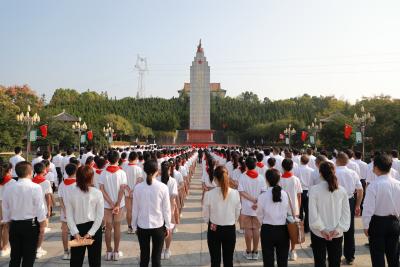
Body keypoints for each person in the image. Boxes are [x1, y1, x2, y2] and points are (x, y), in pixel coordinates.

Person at [2, 161, 47, 267]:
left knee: (15, 257)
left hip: (14, 224)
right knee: (29, 257)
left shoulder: (9, 188)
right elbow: (40, 208)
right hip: (30, 225)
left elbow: (6, 208)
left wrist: (7, 224)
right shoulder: (35, 187)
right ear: (30, 172)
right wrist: (42, 225)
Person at [309, 161, 350, 267]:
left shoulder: (314, 190)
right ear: (334, 172)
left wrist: (322, 229)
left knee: (319, 261)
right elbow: (346, 214)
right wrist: (338, 229)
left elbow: (313, 213)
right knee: (335, 261)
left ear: (320, 173)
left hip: (319, 232)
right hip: (336, 232)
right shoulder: (342, 190)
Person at [362, 154, 400, 267]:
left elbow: (368, 208)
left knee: (377, 255)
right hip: (394, 222)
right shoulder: (398, 184)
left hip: (377, 222)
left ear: (377, 167)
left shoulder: (373, 186)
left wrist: (366, 225)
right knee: (394, 255)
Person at [132, 159, 172, 267]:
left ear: (144, 171)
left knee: (144, 258)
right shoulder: (163, 187)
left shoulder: (138, 188)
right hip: (158, 226)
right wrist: (168, 225)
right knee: (156, 259)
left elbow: (135, 209)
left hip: (142, 226)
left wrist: (134, 226)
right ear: (157, 171)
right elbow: (166, 209)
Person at [66, 165, 104, 267]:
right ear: (91, 178)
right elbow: (100, 216)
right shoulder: (97, 193)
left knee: (76, 261)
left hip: (77, 228)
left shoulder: (70, 192)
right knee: (95, 261)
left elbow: (68, 215)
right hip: (94, 229)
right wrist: (91, 233)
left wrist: (75, 233)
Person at [203, 166, 241, 267]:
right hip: (230, 228)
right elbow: (238, 211)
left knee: (215, 260)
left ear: (215, 179)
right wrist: (233, 220)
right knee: (228, 260)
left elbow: (206, 214)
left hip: (214, 228)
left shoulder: (209, 194)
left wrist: (209, 222)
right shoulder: (235, 193)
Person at [257, 168, 291, 267]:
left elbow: (259, 214)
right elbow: (288, 211)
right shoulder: (285, 194)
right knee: (283, 260)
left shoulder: (262, 196)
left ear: (266, 180)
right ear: (279, 179)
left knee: (268, 261)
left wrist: (262, 223)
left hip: (267, 229)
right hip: (283, 230)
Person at [335, 152, 363, 265]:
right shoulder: (353, 173)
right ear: (347, 161)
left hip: (335, 200)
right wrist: (357, 205)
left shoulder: (333, 172)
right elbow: (360, 190)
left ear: (337, 160)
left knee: (335, 227)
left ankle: (335, 255)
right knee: (349, 229)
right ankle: (350, 256)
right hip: (349, 201)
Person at [98, 150, 127, 261]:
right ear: (118, 159)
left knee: (108, 228)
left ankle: (108, 251)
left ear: (108, 160)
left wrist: (110, 203)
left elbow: (101, 189)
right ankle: (116, 251)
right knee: (117, 227)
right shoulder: (121, 173)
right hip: (119, 204)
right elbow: (122, 189)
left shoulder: (103, 172)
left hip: (106, 204)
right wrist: (117, 204)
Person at [238, 156, 266, 260]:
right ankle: (255, 251)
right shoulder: (261, 178)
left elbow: (241, 192)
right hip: (257, 207)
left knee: (248, 229)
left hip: (246, 207)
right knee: (256, 229)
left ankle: (248, 251)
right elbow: (264, 192)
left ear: (246, 165)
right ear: (255, 165)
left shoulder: (243, 177)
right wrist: (257, 201)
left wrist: (251, 200)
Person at [279, 158, 302, 261]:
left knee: (283, 232)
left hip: (281, 209)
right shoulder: (296, 179)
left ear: (282, 167)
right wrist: (298, 208)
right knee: (293, 231)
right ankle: (292, 251)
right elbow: (299, 195)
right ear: (292, 167)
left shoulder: (279, 179)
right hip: (294, 209)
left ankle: (284, 250)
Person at [158, 161, 178, 260]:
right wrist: (171, 210)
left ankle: (161, 250)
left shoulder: (156, 179)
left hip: (157, 209)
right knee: (168, 230)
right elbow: (173, 197)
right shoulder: (173, 181)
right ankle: (167, 250)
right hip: (169, 208)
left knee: (159, 231)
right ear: (170, 170)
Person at [58, 163, 78, 260]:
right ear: (76, 171)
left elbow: (60, 199)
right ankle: (75, 251)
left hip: (65, 211)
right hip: (76, 212)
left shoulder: (62, 184)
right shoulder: (78, 183)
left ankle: (66, 252)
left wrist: (65, 211)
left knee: (64, 231)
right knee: (75, 231)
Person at [122, 151, 144, 234]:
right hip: (136, 192)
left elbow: (123, 181)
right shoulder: (138, 168)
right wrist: (133, 190)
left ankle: (129, 227)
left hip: (127, 192)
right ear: (136, 158)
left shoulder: (124, 168)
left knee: (129, 211)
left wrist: (129, 190)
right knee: (137, 210)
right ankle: (136, 227)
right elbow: (139, 180)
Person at [0, 163, 16, 257]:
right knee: (6, 226)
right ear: (9, 170)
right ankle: (5, 247)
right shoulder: (12, 181)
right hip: (6, 205)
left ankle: (1, 247)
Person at [296, 155, 314, 233]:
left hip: (299, 191)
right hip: (308, 191)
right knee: (308, 211)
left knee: (299, 210)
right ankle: (307, 228)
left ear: (301, 161)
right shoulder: (312, 170)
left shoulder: (297, 169)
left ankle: (299, 228)